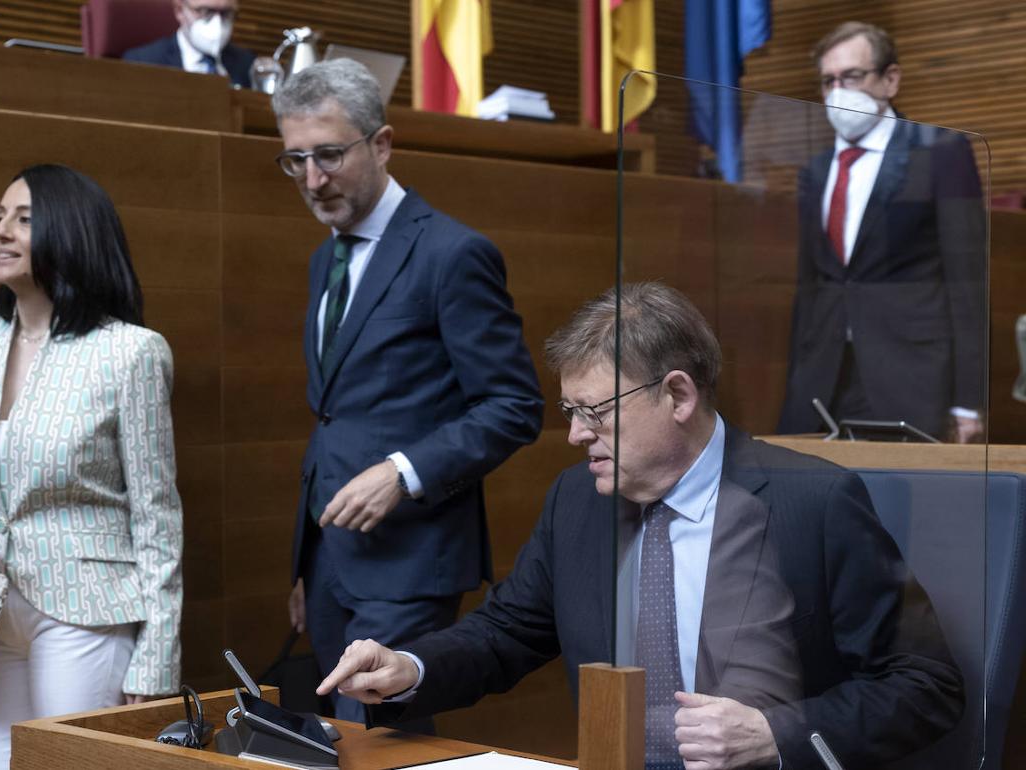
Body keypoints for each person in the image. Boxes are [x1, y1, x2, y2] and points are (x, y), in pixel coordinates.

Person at [317, 282, 963, 769]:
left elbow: (925, 685)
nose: (574, 435)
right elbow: (506, 632)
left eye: (593, 412)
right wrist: (410, 664)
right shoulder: (578, 500)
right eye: (570, 410)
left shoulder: (814, 502)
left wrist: (776, 734)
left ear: (677, 396)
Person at [0, 164, 183, 769]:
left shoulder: (129, 353)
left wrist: (158, 655)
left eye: (24, 218)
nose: (1, 231)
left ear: (72, 232)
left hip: (88, 610)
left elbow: (157, 516)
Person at [271, 58, 545, 725]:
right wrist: (309, 561)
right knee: (334, 742)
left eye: (330, 155)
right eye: (296, 160)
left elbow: (515, 405)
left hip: (411, 557)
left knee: (378, 742)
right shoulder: (323, 257)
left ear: (383, 143)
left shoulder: (453, 253)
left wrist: (403, 472)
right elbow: (338, 415)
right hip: (334, 557)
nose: (312, 179)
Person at [776, 21, 986, 443]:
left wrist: (969, 401)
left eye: (851, 76)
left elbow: (968, 285)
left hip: (911, 377)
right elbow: (811, 286)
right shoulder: (816, 171)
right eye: (828, 81)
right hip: (824, 381)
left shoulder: (940, 153)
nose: (838, 91)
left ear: (890, 80)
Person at [122, 0, 255, 89]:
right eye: (205, 11)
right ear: (180, 11)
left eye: (227, 13)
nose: (217, 23)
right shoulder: (142, 63)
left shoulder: (247, 65)